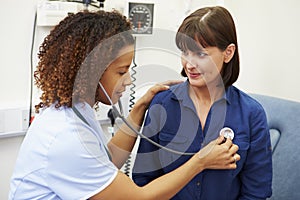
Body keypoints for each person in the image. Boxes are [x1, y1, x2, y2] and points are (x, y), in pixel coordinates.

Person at [8, 10, 240, 200]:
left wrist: (139, 108)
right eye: (121, 71)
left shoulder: (77, 110)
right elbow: (138, 198)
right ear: (93, 74)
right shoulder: (65, 137)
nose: (128, 80)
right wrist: (201, 161)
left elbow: (105, 161)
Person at [132, 6, 272, 200]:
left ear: (228, 53)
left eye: (201, 54)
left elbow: (256, 193)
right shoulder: (162, 105)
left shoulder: (251, 114)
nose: (189, 64)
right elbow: (143, 181)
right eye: (185, 52)